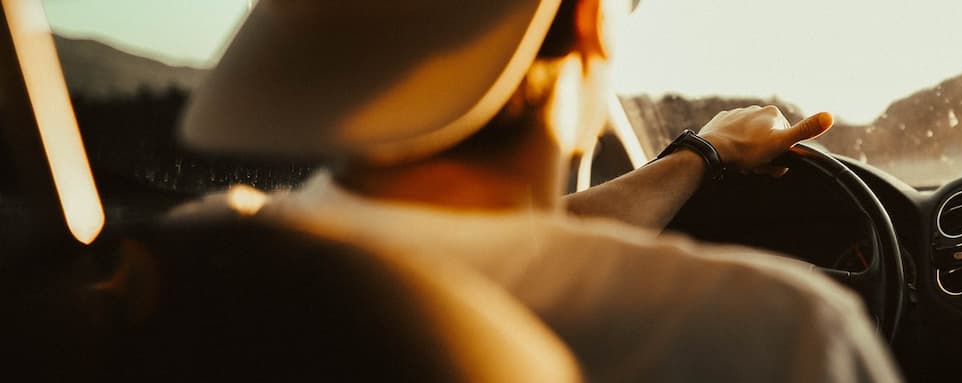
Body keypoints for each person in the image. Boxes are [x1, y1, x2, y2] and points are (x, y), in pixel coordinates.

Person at [171, 0, 900, 382]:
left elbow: (493, 251)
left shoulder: (199, 277)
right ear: (591, 19)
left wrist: (701, 155)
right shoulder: (779, 335)